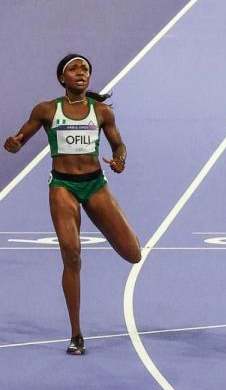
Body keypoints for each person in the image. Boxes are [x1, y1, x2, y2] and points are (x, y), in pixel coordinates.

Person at [4, 54, 142, 354]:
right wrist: (13, 144)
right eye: (74, 68)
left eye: (86, 69)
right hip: (63, 186)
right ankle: (76, 334)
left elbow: (118, 144)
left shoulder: (102, 112)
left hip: (95, 185)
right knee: (72, 255)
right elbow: (18, 140)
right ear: (62, 78)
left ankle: (120, 232)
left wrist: (119, 160)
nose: (81, 73)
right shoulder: (46, 110)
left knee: (133, 254)